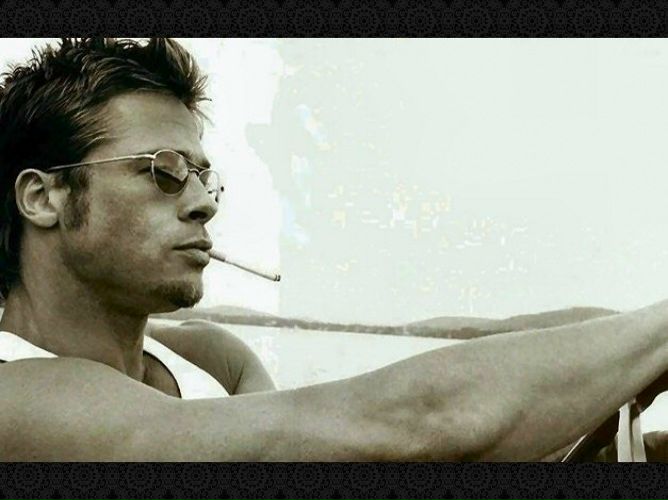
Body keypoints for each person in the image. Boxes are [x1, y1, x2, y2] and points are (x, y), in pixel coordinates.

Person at [0, 37, 667, 462]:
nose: (202, 201)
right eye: (166, 170)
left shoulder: (211, 358)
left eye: (206, 178)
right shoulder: (15, 397)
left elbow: (354, 440)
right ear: (42, 197)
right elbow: (406, 420)